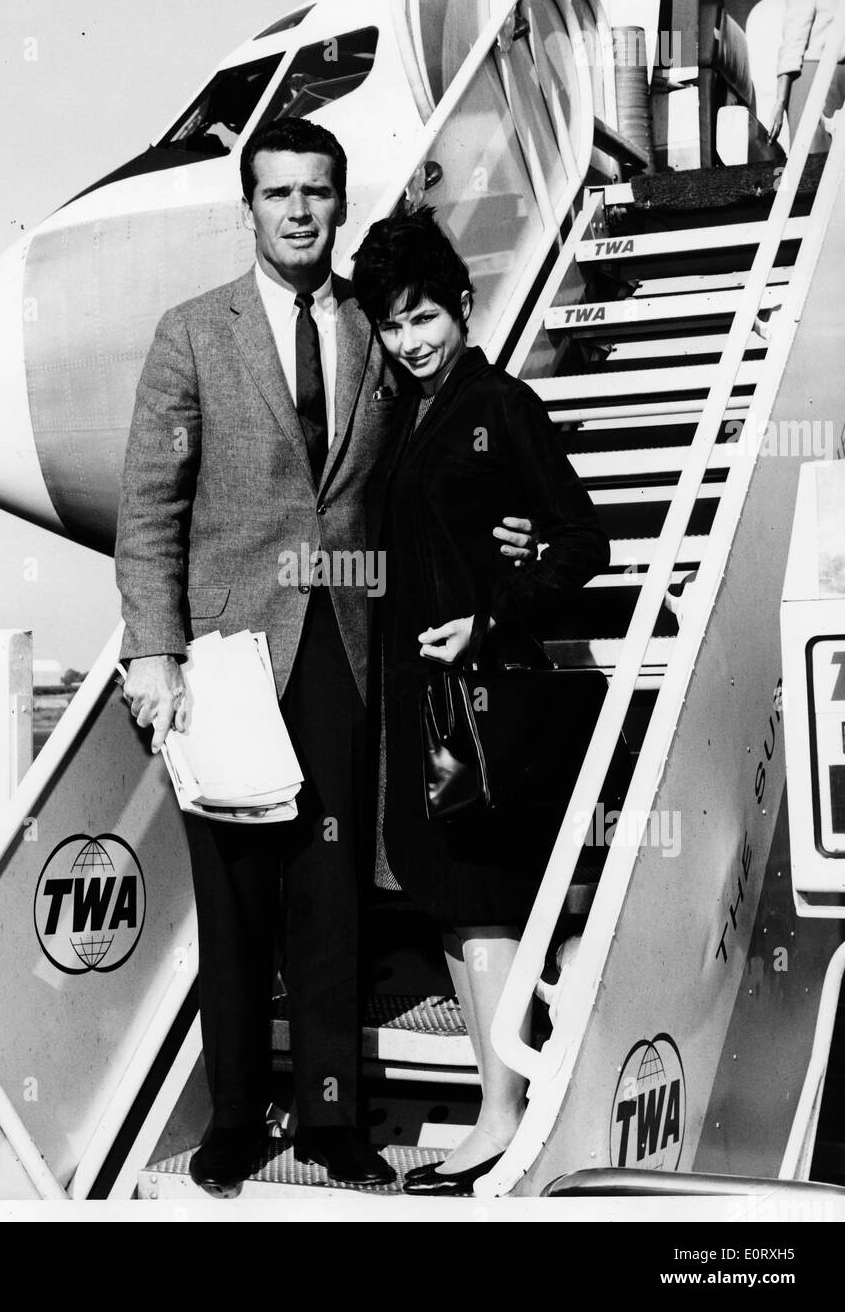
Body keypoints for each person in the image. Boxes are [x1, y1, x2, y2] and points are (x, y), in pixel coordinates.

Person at [115, 116, 538, 1196]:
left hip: (344, 651)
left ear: (340, 204)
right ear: (247, 206)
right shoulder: (191, 334)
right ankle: (230, 1122)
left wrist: (508, 525)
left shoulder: (372, 327)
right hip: (228, 660)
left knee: (331, 895)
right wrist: (155, 654)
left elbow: (443, 444)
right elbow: (150, 511)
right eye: (277, 193)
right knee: (235, 901)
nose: (299, 210)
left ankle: (332, 1123)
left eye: (316, 192)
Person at [352, 209, 610, 1196]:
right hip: (428, 700)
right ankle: (496, 1102)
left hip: (479, 696)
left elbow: (582, 540)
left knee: (479, 906)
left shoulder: (494, 402)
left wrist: (490, 617)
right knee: (455, 910)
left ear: (461, 305)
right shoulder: (420, 409)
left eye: (423, 316)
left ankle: (503, 1114)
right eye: (391, 325)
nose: (411, 340)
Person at [769, 0, 845, 153]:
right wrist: (780, 103)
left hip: (840, 84)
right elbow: (792, 47)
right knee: (813, 160)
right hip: (812, 81)